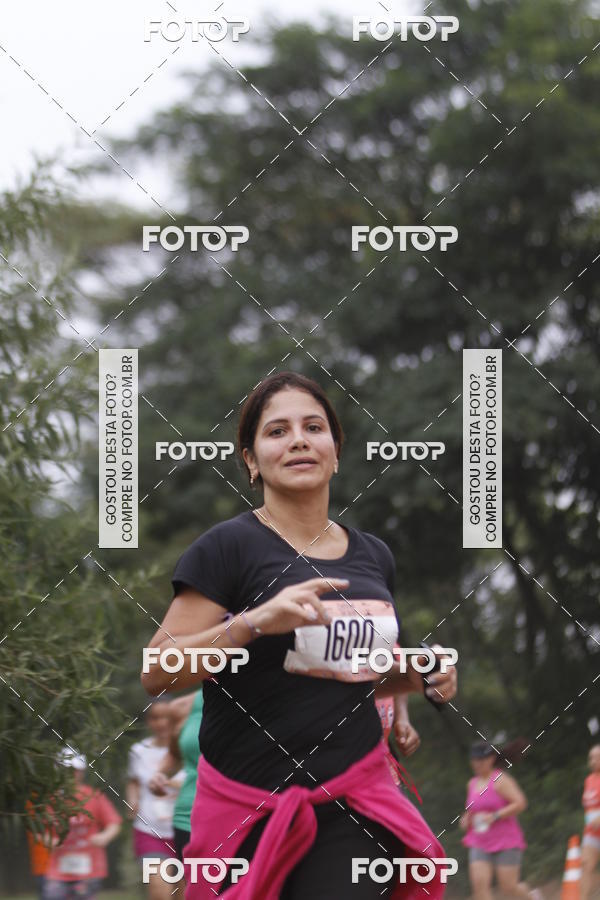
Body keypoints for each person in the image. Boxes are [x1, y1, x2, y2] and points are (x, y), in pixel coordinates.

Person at [142, 371, 458, 899]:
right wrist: (254, 623)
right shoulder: (228, 549)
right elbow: (158, 671)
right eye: (277, 431)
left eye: (313, 427)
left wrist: (422, 673)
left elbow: (356, 676)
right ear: (250, 460)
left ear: (336, 451)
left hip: (351, 798)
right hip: (248, 808)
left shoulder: (374, 556)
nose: (298, 440)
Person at [460, 741, 541, 899]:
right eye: (474, 760)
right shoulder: (472, 784)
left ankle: (533, 896)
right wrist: (465, 819)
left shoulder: (500, 780)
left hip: (506, 841)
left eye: (481, 760)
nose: (477, 764)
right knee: (479, 886)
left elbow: (520, 803)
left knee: (509, 887)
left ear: (491, 759)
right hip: (479, 841)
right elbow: (471, 809)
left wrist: (495, 816)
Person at [43, 750, 121, 900]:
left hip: (89, 869)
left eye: (75, 771)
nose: (71, 775)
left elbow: (114, 823)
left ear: (81, 772)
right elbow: (40, 829)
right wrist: (49, 841)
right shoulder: (51, 800)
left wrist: (104, 836)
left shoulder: (94, 796)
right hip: (58, 869)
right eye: (66, 770)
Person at [127, 702, 183, 899]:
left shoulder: (191, 746)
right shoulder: (138, 751)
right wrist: (132, 800)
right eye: (155, 718)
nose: (161, 723)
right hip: (150, 831)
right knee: (160, 892)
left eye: (166, 717)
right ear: (148, 721)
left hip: (186, 830)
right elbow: (133, 781)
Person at [148, 691, 204, 863]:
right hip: (189, 819)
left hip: (249, 817)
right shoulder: (182, 707)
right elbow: (175, 755)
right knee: (196, 888)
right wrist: (160, 775)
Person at [580, 743, 600, 899]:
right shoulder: (589, 780)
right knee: (586, 866)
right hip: (592, 832)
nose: (592, 761)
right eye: (591, 758)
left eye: (596, 757)